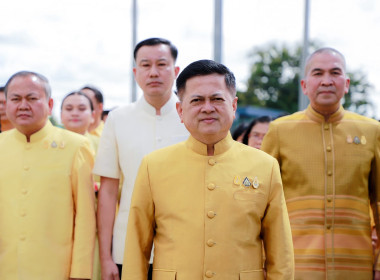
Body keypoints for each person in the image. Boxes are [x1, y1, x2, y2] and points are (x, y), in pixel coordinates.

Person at [121, 59, 294, 280]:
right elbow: (137, 246)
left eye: (217, 99)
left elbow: (281, 253)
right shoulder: (153, 166)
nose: (207, 108)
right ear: (180, 110)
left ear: (233, 106)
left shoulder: (265, 165)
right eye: (196, 100)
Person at [262, 47, 380, 280]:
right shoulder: (280, 131)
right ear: (305, 85)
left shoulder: (372, 131)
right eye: (318, 73)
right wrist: (265, 261)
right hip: (295, 266)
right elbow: (262, 204)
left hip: (356, 268)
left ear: (346, 84)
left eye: (334, 73)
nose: (326, 81)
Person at [93, 37, 189, 280]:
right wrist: (106, 257)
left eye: (162, 64)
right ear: (136, 72)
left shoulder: (193, 116)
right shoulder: (117, 119)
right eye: (145, 65)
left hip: (187, 246)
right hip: (130, 246)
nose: (153, 72)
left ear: (175, 71)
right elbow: (108, 191)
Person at [0, 71, 96, 279]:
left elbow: (85, 217)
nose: (23, 105)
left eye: (32, 98)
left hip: (55, 269)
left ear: (50, 104)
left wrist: (80, 272)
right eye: (15, 99)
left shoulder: (76, 146)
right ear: (7, 104)